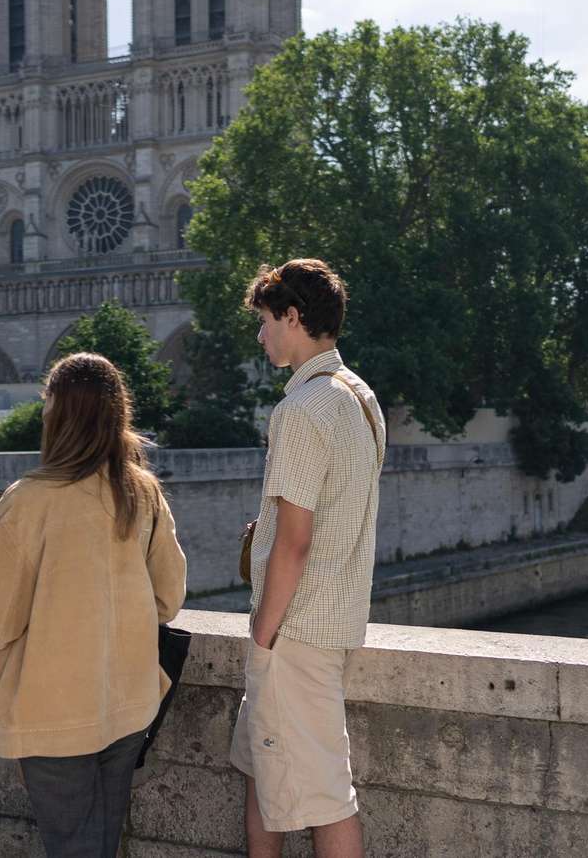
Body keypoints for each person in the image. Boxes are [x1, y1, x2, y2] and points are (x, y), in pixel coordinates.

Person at [0, 352, 188, 858]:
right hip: (129, 698)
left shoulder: (29, 500)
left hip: (54, 709)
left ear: (57, 415)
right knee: (103, 842)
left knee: (71, 846)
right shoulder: (142, 491)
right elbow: (168, 598)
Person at [233, 260, 384, 858]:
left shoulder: (300, 411)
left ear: (292, 317)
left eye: (266, 321)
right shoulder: (361, 397)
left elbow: (296, 542)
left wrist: (264, 636)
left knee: (325, 797)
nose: (261, 335)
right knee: (258, 773)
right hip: (337, 618)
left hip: (295, 631)